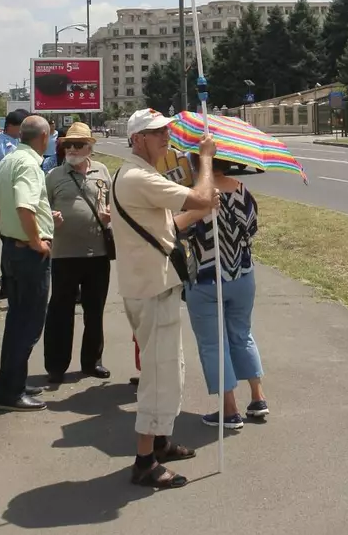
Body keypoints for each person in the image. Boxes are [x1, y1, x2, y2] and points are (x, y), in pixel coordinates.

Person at [110, 108, 219, 490]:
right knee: (159, 375)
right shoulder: (139, 176)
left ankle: (159, 443)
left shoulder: (134, 175)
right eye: (157, 133)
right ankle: (144, 462)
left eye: (165, 132)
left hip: (149, 285)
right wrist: (204, 159)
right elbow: (201, 194)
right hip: (152, 289)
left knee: (169, 368)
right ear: (138, 138)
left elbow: (168, 224)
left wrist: (202, 205)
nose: (165, 138)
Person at [185, 156, 267, 429]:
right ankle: (258, 397)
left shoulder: (196, 195)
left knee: (213, 344)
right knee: (242, 335)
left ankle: (229, 409)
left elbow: (182, 229)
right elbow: (252, 228)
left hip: (207, 279)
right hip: (243, 275)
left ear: (199, 165)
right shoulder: (243, 190)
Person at [0, 115, 57, 412]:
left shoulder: (9, 160)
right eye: (50, 137)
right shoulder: (30, 165)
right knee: (27, 323)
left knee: (17, 320)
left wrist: (15, 231)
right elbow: (23, 206)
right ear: (43, 138)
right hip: (29, 256)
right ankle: (11, 393)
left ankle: (13, 383)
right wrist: (35, 240)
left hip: (12, 250)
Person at [43, 123, 113, 384]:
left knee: (95, 310)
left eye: (78, 144)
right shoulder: (53, 176)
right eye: (68, 145)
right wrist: (50, 219)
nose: (71, 149)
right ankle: (56, 365)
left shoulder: (102, 171)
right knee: (60, 311)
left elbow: (112, 204)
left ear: (90, 147)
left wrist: (109, 217)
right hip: (64, 254)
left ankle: (92, 361)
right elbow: (41, 210)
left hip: (97, 253)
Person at [0, 110, 29, 299]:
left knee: (19, 240)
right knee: (9, 241)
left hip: (19, 197)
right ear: (12, 126)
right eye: (22, 126)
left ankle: (18, 278)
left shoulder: (19, 142)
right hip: (5, 198)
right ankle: (8, 282)